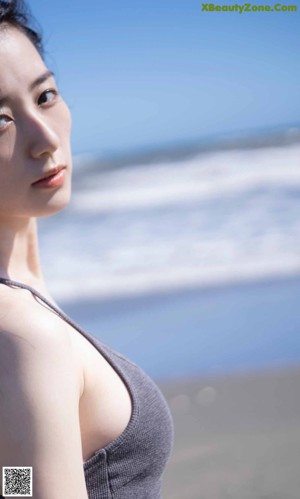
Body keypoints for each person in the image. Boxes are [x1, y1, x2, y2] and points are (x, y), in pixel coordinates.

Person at [0, 1, 174, 498]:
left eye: (46, 95)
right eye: (0, 120)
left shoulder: (23, 302)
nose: (46, 139)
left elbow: (12, 478)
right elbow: (18, 486)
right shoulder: (21, 334)